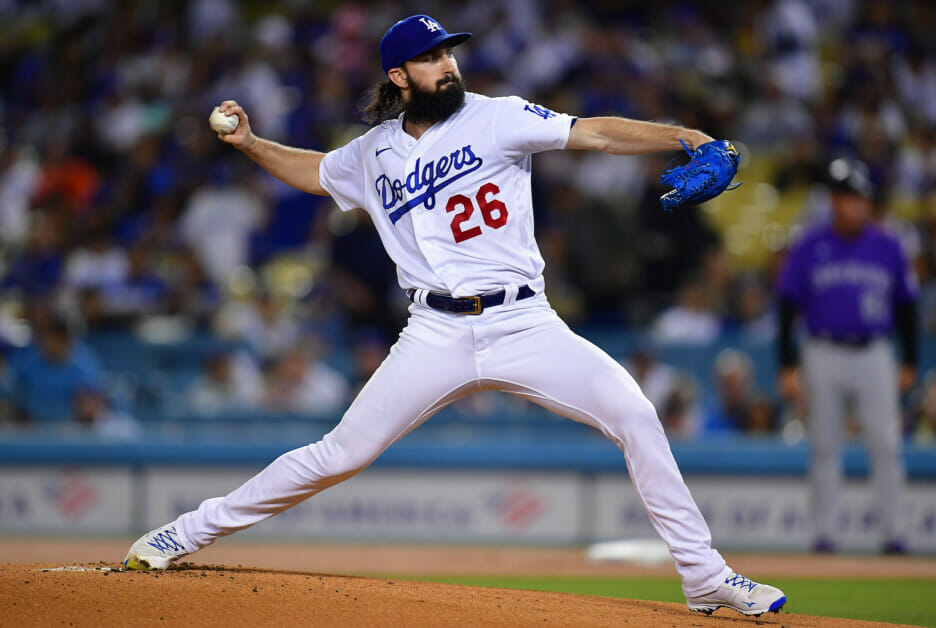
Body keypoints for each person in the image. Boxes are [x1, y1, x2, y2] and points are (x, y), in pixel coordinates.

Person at [124, 15, 786, 617]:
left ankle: (704, 577)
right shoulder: (372, 152)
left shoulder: (497, 117)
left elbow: (596, 132)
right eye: (430, 57)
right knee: (341, 453)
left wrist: (683, 136)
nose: (447, 65)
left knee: (635, 414)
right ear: (398, 76)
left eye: (448, 53)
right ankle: (185, 531)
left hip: (524, 323)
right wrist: (250, 144)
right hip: (434, 331)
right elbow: (317, 172)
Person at [777, 158, 919, 554]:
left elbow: (907, 307)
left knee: (886, 444)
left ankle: (894, 532)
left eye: (854, 196)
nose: (848, 204)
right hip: (822, 350)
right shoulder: (810, 245)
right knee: (824, 445)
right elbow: (786, 307)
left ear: (867, 202)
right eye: (841, 196)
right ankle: (824, 535)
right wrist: (787, 364)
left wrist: (909, 360)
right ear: (833, 201)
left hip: (874, 351)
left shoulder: (888, 245)